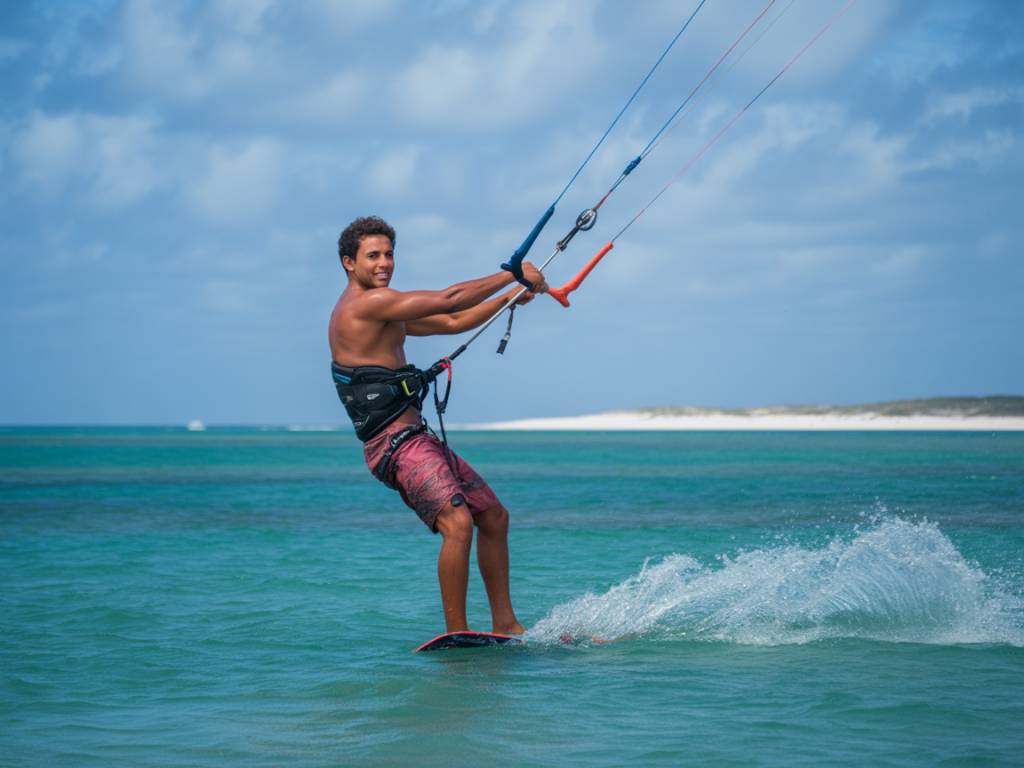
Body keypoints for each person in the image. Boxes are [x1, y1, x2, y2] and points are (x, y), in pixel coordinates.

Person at [328, 215, 547, 635]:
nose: (384, 263)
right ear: (348, 263)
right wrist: (511, 275)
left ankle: (506, 624)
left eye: (389, 254)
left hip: (416, 437)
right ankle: (456, 632)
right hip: (393, 445)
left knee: (493, 516)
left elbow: (451, 322)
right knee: (457, 522)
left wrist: (511, 298)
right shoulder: (365, 306)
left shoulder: (387, 313)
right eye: (372, 256)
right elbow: (448, 299)